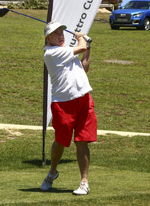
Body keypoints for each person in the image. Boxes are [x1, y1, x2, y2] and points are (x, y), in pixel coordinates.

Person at [40, 21, 97, 195]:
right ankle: (52, 172)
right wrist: (82, 38)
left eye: (61, 32)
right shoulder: (51, 53)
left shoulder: (65, 52)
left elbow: (84, 65)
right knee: (61, 141)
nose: (60, 35)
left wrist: (88, 46)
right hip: (63, 104)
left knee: (82, 141)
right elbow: (79, 48)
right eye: (55, 33)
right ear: (48, 39)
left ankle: (84, 182)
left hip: (84, 100)